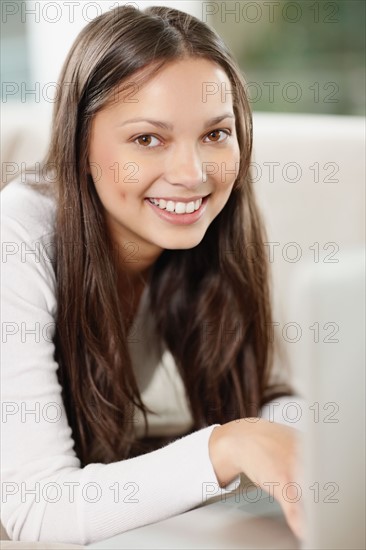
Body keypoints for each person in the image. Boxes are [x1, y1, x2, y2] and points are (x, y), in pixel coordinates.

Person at [1, 4, 305, 545]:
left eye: (215, 135)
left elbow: (255, 397)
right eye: (148, 139)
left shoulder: (207, 230)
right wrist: (225, 446)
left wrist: (309, 432)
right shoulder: (17, 236)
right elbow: (35, 510)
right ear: (80, 146)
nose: (192, 175)